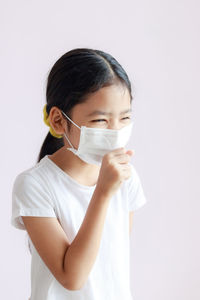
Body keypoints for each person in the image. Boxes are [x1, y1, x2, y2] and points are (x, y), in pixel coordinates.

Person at [11, 48, 148, 300]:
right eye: (100, 121)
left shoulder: (125, 177)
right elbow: (72, 277)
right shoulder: (34, 185)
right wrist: (104, 192)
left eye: (125, 117)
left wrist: (110, 185)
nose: (115, 131)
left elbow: (109, 262)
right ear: (58, 121)